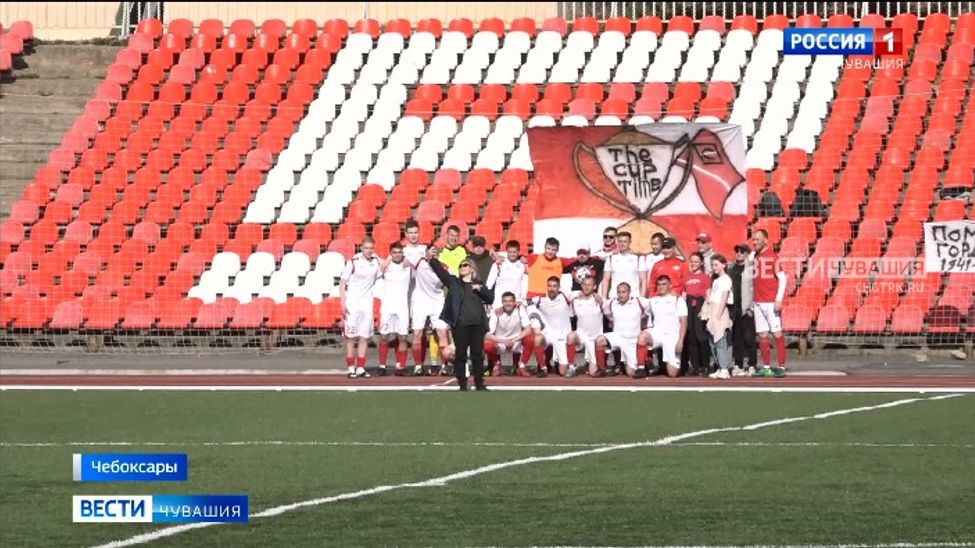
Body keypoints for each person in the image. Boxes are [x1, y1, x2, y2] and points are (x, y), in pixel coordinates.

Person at [429, 255, 494, 391]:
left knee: (477, 355)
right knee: (460, 355)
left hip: (477, 325)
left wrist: (481, 289)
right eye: (460, 266)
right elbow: (441, 273)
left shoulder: (479, 284)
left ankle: (479, 383)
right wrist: (432, 259)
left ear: (471, 269)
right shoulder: (454, 283)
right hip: (460, 325)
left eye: (465, 265)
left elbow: (490, 298)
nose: (462, 268)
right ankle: (462, 383)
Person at [339, 237, 382, 378]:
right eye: (366, 248)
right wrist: (342, 303)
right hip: (352, 304)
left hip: (366, 305)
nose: (369, 251)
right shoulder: (353, 262)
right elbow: (342, 282)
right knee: (351, 338)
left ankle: (361, 368)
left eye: (371, 248)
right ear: (361, 248)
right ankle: (351, 367)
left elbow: (389, 263)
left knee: (364, 337)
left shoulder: (376, 261)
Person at [751, 229, 788, 378]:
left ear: (765, 240)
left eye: (757, 239)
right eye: (753, 239)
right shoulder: (754, 256)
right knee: (762, 334)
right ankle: (766, 367)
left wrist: (779, 299)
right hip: (758, 301)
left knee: (777, 333)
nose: (755, 242)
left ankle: (781, 366)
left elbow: (783, 278)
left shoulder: (772, 257)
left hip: (771, 302)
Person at [596, 282, 651, 378]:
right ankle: (601, 369)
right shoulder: (612, 302)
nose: (621, 295)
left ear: (629, 292)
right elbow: (604, 307)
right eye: (619, 292)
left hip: (632, 340)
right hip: (617, 337)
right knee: (599, 340)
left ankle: (643, 362)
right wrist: (593, 293)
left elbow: (651, 306)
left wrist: (645, 323)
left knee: (631, 373)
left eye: (624, 292)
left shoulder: (639, 301)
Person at [411, 246, 449, 375]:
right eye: (431, 252)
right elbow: (404, 263)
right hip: (420, 301)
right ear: (426, 253)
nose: (433, 255)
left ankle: (444, 366)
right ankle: (418, 366)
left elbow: (451, 282)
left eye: (435, 254)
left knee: (442, 332)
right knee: (417, 332)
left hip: (437, 302)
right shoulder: (419, 262)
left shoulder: (443, 267)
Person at [527, 276, 575, 377]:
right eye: (549, 286)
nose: (551, 288)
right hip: (548, 334)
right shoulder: (540, 299)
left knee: (563, 372)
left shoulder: (565, 296)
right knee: (538, 338)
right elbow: (526, 303)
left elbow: (581, 294)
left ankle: (564, 364)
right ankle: (543, 368)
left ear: (559, 287)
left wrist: (595, 295)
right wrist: (535, 321)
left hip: (562, 337)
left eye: (554, 286)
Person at [378, 242, 413, 376]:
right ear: (390, 254)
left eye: (399, 252)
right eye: (394, 252)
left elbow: (419, 257)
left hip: (402, 307)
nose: (397, 255)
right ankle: (382, 367)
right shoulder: (385, 266)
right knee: (384, 337)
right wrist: (386, 262)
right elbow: (376, 271)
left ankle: (400, 367)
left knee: (403, 337)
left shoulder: (408, 265)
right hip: (387, 306)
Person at [642, 275, 688, 378]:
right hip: (657, 334)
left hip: (672, 337)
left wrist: (680, 341)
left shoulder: (678, 299)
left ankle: (680, 365)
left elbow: (684, 322)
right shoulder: (652, 300)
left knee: (672, 374)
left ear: (670, 285)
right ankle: (642, 368)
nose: (661, 287)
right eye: (658, 284)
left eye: (664, 284)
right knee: (642, 337)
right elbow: (645, 314)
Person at [484, 292, 535, 377]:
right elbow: (488, 335)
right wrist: (503, 341)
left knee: (530, 339)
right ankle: (497, 364)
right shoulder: (496, 313)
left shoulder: (520, 310)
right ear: (502, 302)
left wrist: (514, 339)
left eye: (510, 301)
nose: (508, 304)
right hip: (501, 343)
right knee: (487, 345)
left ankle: (522, 366)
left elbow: (528, 329)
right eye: (505, 301)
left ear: (514, 302)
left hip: (516, 342)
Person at [728, 243, 758, 373]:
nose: (738, 253)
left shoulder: (752, 268)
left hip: (746, 307)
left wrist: (751, 307)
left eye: (742, 251)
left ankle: (752, 364)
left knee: (749, 338)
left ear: (747, 254)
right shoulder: (731, 268)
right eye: (737, 251)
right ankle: (738, 364)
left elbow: (756, 288)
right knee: (737, 338)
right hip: (735, 308)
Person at [705, 254, 736, 379]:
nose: (714, 267)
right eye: (712, 265)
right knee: (712, 341)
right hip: (713, 309)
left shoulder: (726, 279)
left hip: (720, 311)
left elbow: (724, 297)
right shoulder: (716, 280)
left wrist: (718, 315)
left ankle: (724, 368)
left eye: (716, 265)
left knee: (720, 339)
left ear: (724, 265)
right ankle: (719, 367)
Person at [683, 252, 712, 376]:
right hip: (689, 306)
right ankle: (694, 366)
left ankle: (705, 365)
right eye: (692, 261)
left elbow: (708, 296)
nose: (693, 264)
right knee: (691, 336)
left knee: (701, 335)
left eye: (696, 261)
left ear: (701, 263)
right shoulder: (686, 277)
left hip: (701, 305)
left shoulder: (706, 277)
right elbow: (684, 295)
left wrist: (705, 310)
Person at [570, 276, 606, 377]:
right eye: (585, 284)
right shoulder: (575, 300)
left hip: (594, 339)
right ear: (581, 285)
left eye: (589, 285)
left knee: (593, 373)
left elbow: (610, 315)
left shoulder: (599, 300)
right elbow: (570, 315)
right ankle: (571, 366)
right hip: (581, 335)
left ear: (594, 286)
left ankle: (595, 364)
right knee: (570, 336)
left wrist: (599, 299)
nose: (586, 287)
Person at [600, 231, 647, 299]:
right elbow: (606, 279)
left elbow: (643, 280)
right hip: (614, 297)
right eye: (620, 241)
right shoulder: (610, 258)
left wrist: (642, 298)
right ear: (617, 242)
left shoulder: (639, 258)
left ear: (630, 242)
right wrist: (604, 298)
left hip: (633, 297)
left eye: (625, 241)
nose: (622, 244)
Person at [486, 240, 527, 310]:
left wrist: (522, 299)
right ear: (506, 252)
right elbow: (489, 283)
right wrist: (487, 300)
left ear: (518, 252)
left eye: (514, 252)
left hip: (516, 302)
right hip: (499, 303)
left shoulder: (523, 265)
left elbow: (525, 284)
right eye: (510, 252)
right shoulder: (499, 263)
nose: (512, 254)